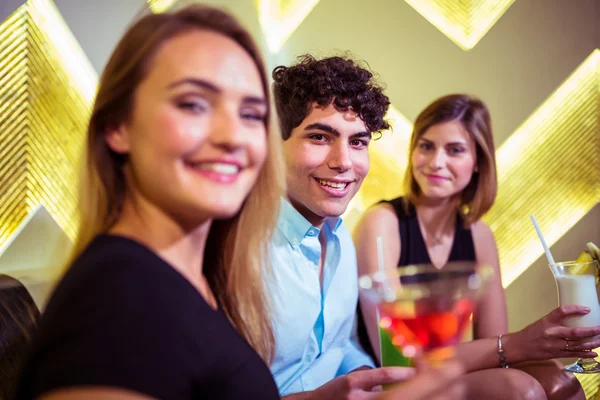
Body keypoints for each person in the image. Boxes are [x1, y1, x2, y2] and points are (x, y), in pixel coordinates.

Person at [14, 5, 285, 399]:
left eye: (251, 114)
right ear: (117, 126)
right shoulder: (117, 301)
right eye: (193, 104)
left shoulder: (193, 278)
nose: (234, 137)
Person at [353, 93, 600, 400]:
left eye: (454, 150)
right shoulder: (382, 222)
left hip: (450, 369)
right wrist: (520, 341)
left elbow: (492, 341)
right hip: (397, 380)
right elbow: (401, 356)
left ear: (478, 163)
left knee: (563, 382)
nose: (436, 162)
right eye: (426, 146)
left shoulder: (479, 234)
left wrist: (522, 345)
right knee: (521, 391)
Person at [268, 55, 465, 400]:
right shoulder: (236, 248)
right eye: (319, 137)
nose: (343, 162)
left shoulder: (340, 236)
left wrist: (364, 375)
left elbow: (341, 347)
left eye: (357, 142)